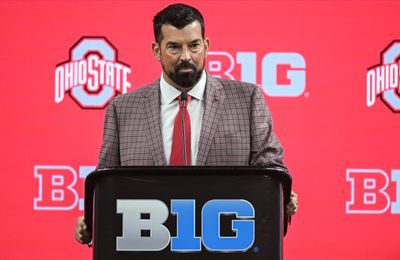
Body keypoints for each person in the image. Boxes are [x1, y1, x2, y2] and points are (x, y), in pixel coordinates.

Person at [74, 3, 298, 244]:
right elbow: (108, 186)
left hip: (225, 246)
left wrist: (280, 196)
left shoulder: (247, 99)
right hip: (147, 246)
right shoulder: (122, 109)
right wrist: (93, 221)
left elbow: (270, 170)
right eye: (174, 47)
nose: (186, 56)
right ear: (156, 50)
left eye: (194, 45)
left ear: (206, 45)